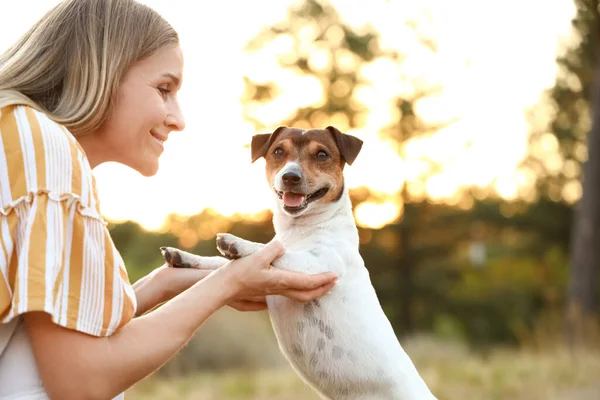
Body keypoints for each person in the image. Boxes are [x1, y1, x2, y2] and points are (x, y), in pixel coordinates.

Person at [0, 1, 338, 399]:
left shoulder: (20, 136)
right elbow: (80, 382)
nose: (178, 118)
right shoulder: (45, 147)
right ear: (103, 71)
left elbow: (46, 322)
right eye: (164, 89)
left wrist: (167, 282)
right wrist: (227, 283)